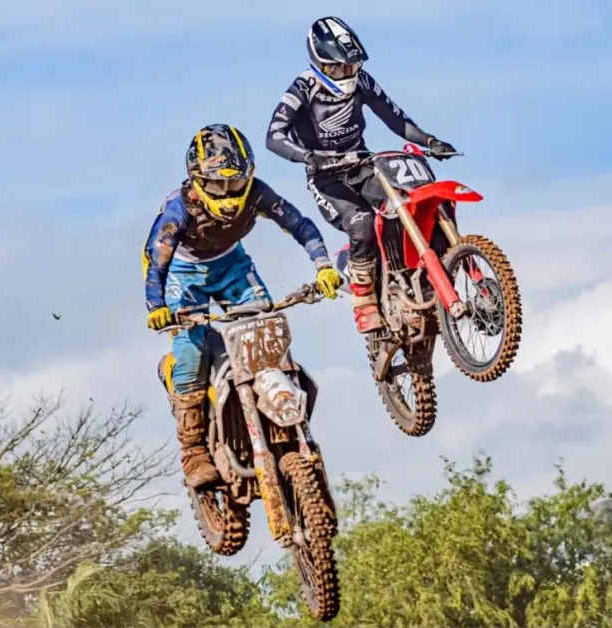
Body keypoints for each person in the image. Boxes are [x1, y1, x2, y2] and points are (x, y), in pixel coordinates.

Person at [143, 123, 342, 489]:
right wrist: (156, 305)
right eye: (218, 185)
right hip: (183, 272)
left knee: (265, 331)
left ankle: (282, 412)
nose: (229, 192)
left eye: (235, 183)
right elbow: (157, 257)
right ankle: (193, 452)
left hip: (232, 264)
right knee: (192, 348)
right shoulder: (179, 208)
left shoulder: (258, 194)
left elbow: (300, 224)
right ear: (198, 180)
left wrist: (324, 266)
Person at [265, 16, 458, 334]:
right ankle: (365, 299)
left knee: (404, 205)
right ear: (321, 64)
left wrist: (429, 141)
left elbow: (396, 119)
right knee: (361, 223)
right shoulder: (301, 90)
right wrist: (307, 156)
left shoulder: (364, 82)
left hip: (362, 164)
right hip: (325, 177)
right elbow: (273, 136)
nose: (348, 74)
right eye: (340, 68)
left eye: (352, 66)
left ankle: (413, 281)